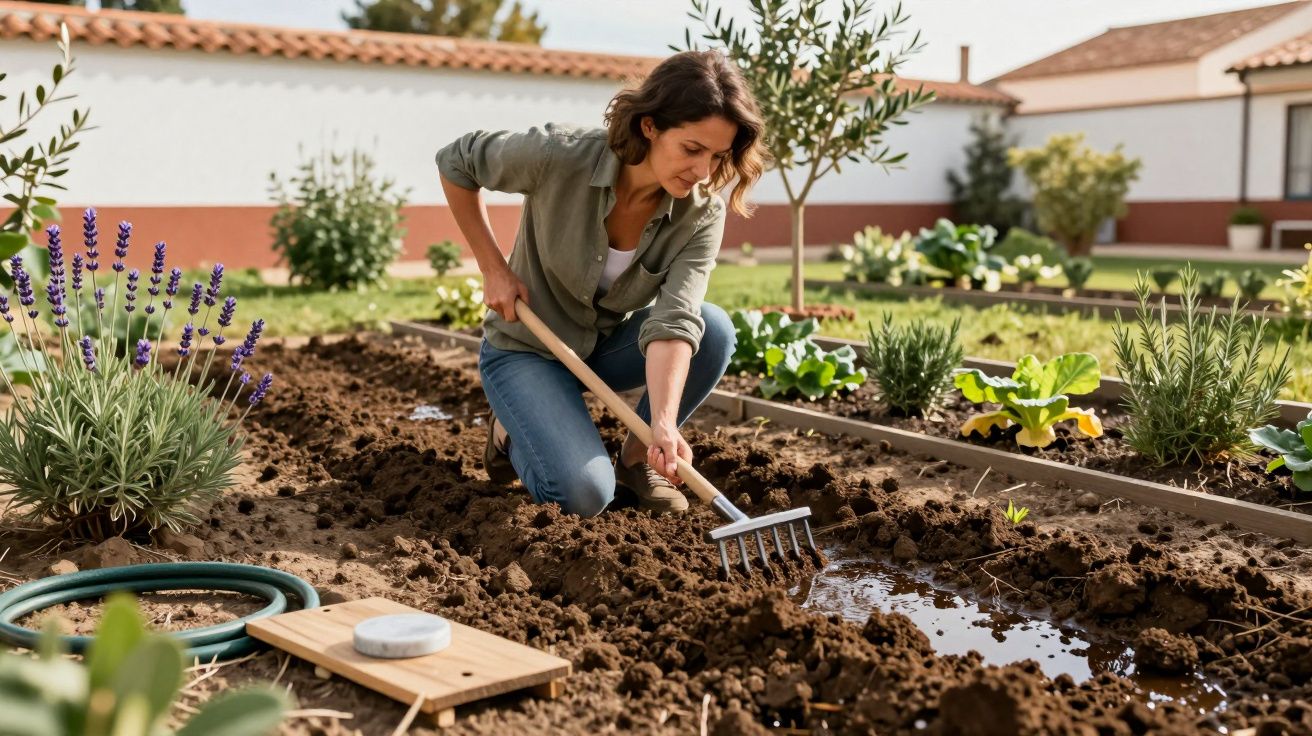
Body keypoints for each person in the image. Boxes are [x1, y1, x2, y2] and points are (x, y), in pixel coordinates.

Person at [435, 49, 767, 517]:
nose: (702, 173)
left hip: (601, 349)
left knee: (713, 329)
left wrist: (664, 426)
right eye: (692, 149)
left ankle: (637, 461)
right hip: (526, 348)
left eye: (717, 156)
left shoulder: (700, 212)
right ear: (649, 127)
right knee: (587, 495)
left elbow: (675, 319)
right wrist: (493, 266)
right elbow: (456, 162)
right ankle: (509, 430)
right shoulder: (559, 155)